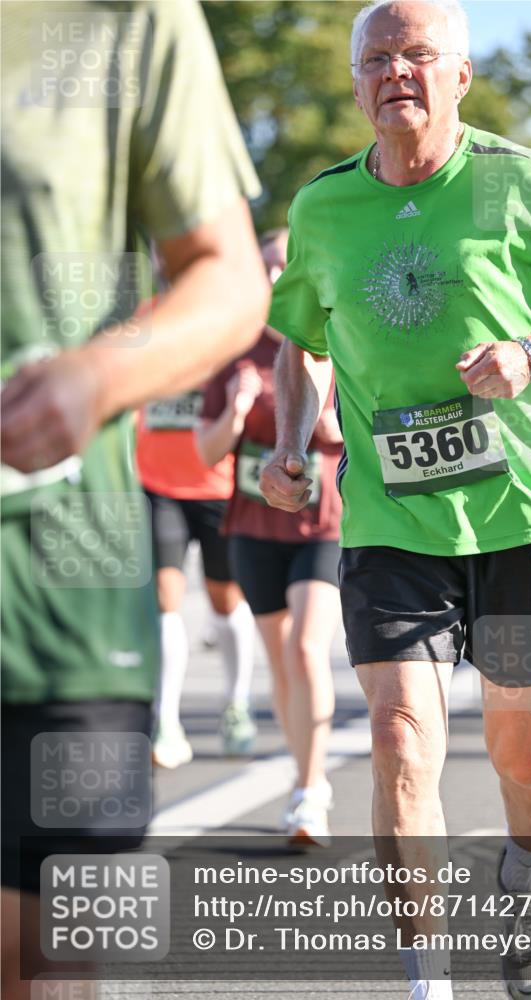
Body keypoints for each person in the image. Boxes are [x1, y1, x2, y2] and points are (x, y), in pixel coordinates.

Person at [258, 1, 531, 997]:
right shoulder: (321, 209)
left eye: (417, 55)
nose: (395, 72)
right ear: (356, 83)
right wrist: (286, 442)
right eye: (376, 59)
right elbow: (299, 342)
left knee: (518, 750)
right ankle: (426, 979)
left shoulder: (525, 184)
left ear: (460, 75)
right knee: (400, 738)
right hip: (390, 519)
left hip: (522, 517)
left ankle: (525, 874)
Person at [0, 2, 269, 997]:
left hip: (66, 578)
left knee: (50, 955)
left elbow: (228, 276)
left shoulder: (126, 17)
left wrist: (98, 377)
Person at [197, 229, 344, 845]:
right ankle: (302, 772)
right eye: (268, 264)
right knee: (282, 661)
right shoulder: (235, 351)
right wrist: (237, 409)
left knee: (308, 650)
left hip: (322, 523)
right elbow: (206, 450)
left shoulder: (337, 339)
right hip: (254, 524)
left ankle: (311, 791)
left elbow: (348, 435)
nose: (280, 270)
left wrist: (310, 413)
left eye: (288, 261)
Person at [136, 295, 257, 767]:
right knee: (164, 600)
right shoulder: (143, 316)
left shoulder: (222, 307)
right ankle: (165, 719)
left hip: (217, 484)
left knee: (225, 600)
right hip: (156, 483)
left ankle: (237, 704)